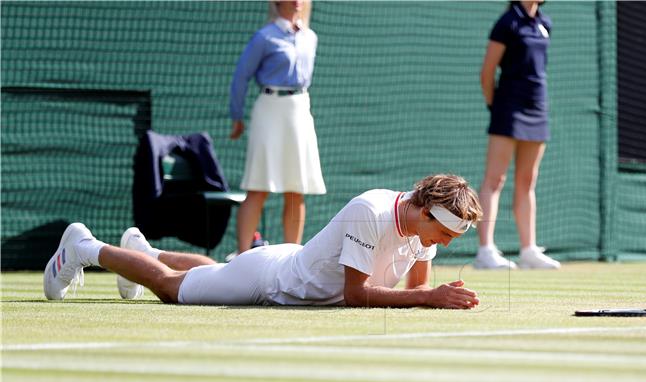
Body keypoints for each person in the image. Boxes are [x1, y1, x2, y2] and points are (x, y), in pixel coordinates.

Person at [44, 174, 482, 309]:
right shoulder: (369, 211)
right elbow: (356, 295)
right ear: (425, 212)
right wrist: (429, 300)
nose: (439, 245)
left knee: (211, 270)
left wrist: (431, 297)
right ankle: (84, 247)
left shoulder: (422, 226)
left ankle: (144, 251)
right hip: (270, 280)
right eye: (442, 234)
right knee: (170, 288)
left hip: (287, 260)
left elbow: (416, 291)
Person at [229, 0, 325, 255]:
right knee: (258, 187)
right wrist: (236, 116)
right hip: (269, 110)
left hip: (300, 111)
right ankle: (242, 255)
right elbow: (241, 75)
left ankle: (293, 257)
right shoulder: (264, 36)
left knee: (296, 188)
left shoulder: (310, 37)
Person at [473, 0, 560, 271]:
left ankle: (528, 250)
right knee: (495, 179)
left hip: (538, 106)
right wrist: (494, 106)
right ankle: (485, 251)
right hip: (508, 108)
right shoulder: (507, 23)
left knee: (527, 179)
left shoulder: (545, 23)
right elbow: (487, 72)